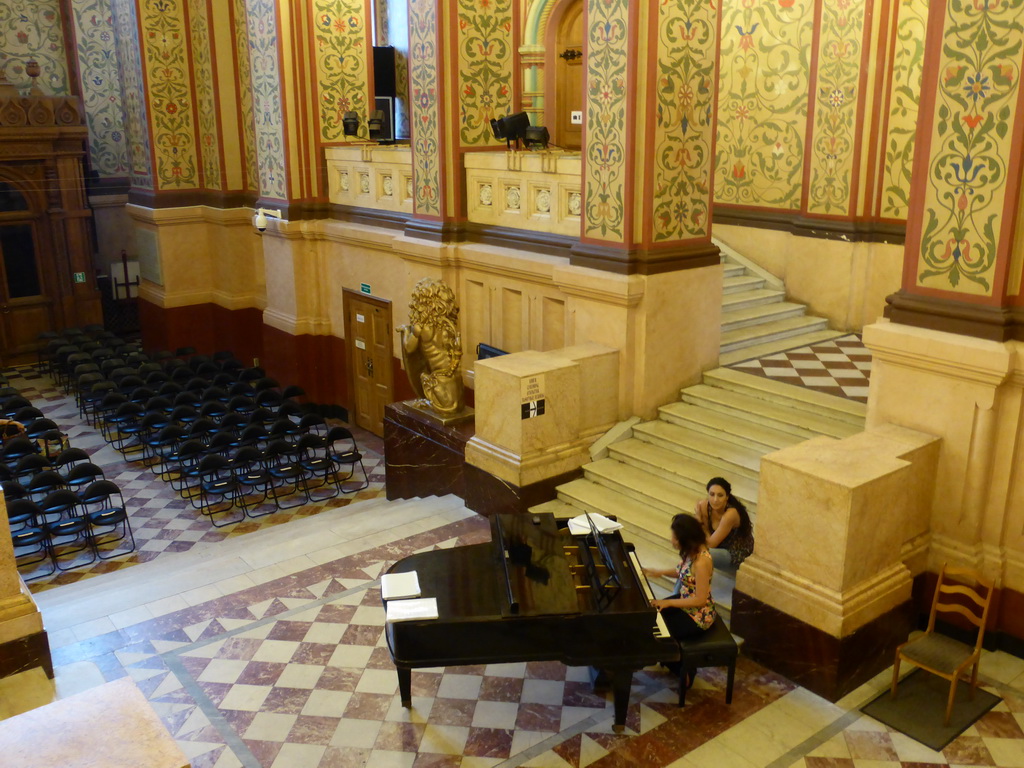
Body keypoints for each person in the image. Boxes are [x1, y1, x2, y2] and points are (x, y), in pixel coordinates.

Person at [643, 513, 717, 643]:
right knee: (650, 615)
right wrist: (659, 572)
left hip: (698, 616)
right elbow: (683, 572)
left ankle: (673, 660)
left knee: (657, 632)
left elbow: (700, 600)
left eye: (675, 538)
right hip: (685, 600)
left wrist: (669, 602)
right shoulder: (693, 551)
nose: (672, 540)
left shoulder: (701, 562)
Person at [694, 476, 754, 570]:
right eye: (712, 494)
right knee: (690, 550)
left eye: (720, 495)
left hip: (735, 553)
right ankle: (689, 583)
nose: (715, 500)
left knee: (699, 554)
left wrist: (699, 521)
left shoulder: (730, 514)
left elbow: (710, 544)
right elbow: (704, 538)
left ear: (727, 497)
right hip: (718, 547)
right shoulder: (704, 506)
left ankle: (698, 583)